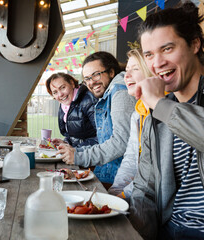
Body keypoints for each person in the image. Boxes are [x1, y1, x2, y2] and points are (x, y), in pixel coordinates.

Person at [129, 2, 204, 239]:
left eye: (167, 49)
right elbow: (145, 188)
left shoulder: (160, 107)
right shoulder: (158, 114)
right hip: (170, 230)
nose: (157, 63)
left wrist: (159, 104)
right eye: (149, 54)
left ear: (194, 44)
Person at [58, 51, 136, 187]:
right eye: (87, 78)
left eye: (96, 75)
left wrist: (78, 156)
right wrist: (75, 150)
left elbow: (120, 143)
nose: (91, 82)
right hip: (107, 173)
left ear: (111, 72)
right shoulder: (110, 92)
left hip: (119, 180)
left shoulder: (120, 93)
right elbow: (105, 140)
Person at [108, 48, 153, 199]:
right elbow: (131, 158)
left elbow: (152, 172)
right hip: (138, 195)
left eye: (135, 69)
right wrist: (115, 192)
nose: (126, 76)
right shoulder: (138, 113)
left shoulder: (165, 111)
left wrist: (123, 195)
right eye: (127, 70)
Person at [45, 72, 98, 148]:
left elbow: (102, 136)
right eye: (55, 92)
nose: (60, 94)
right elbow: (74, 136)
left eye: (63, 88)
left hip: (91, 156)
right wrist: (66, 142)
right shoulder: (65, 105)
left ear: (72, 84)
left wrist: (75, 150)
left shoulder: (89, 100)